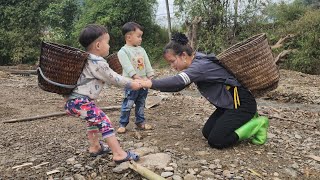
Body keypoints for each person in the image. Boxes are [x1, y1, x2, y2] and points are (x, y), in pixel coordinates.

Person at [138, 33, 269, 149]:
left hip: (240, 104)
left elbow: (178, 82)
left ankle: (258, 123)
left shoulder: (200, 66)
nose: (172, 66)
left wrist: (149, 83)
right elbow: (179, 86)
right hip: (228, 105)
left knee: (216, 140)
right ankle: (246, 120)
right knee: (207, 132)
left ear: (183, 55)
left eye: (172, 62)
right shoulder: (197, 59)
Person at [64, 24, 140, 163]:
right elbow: (114, 78)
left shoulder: (87, 59)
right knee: (104, 121)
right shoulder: (98, 62)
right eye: (108, 42)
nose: (109, 46)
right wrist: (132, 83)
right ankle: (118, 154)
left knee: (92, 121)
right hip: (80, 102)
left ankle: (95, 147)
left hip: (73, 102)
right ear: (98, 45)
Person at [116, 22, 155, 134]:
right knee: (128, 103)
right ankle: (123, 123)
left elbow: (146, 63)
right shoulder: (123, 51)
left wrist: (150, 74)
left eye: (141, 36)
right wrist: (135, 76)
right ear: (129, 37)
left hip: (143, 82)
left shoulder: (141, 50)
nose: (140, 39)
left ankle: (140, 122)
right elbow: (127, 66)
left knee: (141, 102)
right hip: (131, 83)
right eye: (138, 36)